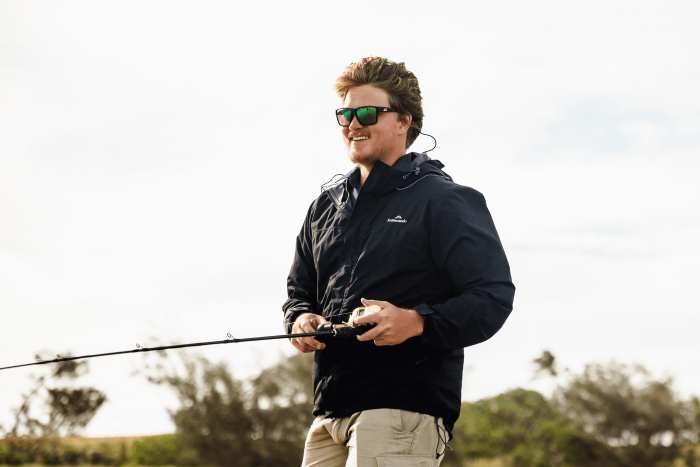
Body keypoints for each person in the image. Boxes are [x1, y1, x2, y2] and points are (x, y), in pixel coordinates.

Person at [283, 57, 515, 467]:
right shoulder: (323, 208)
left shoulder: (445, 201)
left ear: (404, 121)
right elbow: (298, 295)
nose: (354, 123)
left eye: (368, 112)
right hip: (327, 414)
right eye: (346, 114)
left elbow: (492, 298)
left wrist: (417, 321)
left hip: (402, 410)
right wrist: (300, 320)